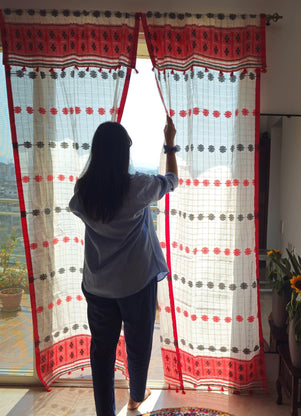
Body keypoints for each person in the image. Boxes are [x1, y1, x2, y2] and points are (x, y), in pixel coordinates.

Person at [69, 116, 178, 416]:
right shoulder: (138, 188)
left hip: (98, 286)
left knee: (101, 353)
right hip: (136, 283)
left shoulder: (83, 192)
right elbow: (172, 181)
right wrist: (169, 145)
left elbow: (77, 208)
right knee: (138, 345)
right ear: (124, 153)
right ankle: (135, 398)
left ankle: (105, 412)